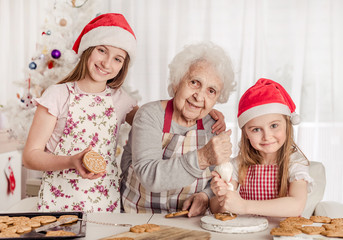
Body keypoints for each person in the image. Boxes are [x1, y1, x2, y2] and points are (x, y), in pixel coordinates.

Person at [22, 13, 139, 213]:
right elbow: (30, 156)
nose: (107, 63)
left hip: (104, 204)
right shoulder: (57, 95)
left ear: (122, 67)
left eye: (117, 59)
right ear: (88, 49)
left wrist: (209, 116)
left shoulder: (121, 101)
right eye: (102, 50)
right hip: (57, 204)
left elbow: (158, 121)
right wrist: (70, 161)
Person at [120, 42, 236, 217]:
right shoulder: (149, 115)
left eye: (211, 91)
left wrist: (205, 196)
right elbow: (149, 176)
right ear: (176, 82)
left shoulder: (213, 124)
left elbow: (219, 179)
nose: (199, 96)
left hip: (188, 220)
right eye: (195, 82)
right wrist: (203, 157)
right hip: (138, 216)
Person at [210, 78, 314, 217]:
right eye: (256, 129)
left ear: (287, 125)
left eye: (274, 126)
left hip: (279, 236)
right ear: (246, 133)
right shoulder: (238, 164)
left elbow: (296, 206)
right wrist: (221, 194)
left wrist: (245, 206)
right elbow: (217, 208)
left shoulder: (295, 163)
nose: (267, 136)